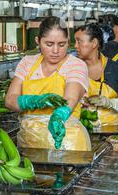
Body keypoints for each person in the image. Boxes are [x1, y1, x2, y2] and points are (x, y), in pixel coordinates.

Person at [5, 17, 91, 151]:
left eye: (62, 44)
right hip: (30, 143)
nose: (55, 51)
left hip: (66, 142)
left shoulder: (76, 65)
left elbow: (71, 98)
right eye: (49, 44)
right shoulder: (27, 63)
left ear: (68, 42)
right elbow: (10, 100)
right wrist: (34, 101)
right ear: (37, 41)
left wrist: (59, 116)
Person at [74, 23, 118, 126]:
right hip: (80, 132)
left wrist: (110, 103)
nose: (75, 46)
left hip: (110, 136)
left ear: (94, 43)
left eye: (79, 41)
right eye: (75, 41)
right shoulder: (72, 68)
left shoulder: (115, 68)